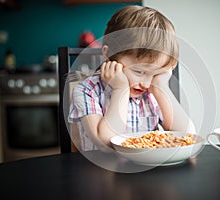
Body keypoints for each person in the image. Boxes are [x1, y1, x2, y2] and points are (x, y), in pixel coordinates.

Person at [68, 5, 195, 152]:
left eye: (155, 74)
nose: (146, 83)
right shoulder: (87, 91)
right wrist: (120, 89)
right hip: (101, 172)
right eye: (139, 71)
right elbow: (105, 143)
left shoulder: (152, 92)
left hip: (147, 170)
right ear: (109, 55)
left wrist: (162, 87)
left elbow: (187, 135)